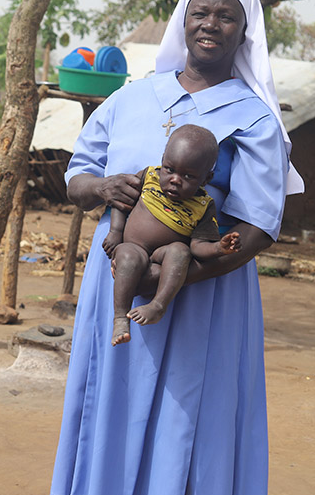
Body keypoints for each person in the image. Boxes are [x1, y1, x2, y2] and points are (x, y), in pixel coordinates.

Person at [47, 0, 303, 495]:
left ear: (244, 33)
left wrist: (183, 269)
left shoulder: (254, 117)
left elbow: (258, 224)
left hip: (205, 304)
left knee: (195, 437)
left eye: (226, 17)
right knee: (118, 427)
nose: (210, 25)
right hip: (121, 296)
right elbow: (78, 174)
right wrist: (103, 190)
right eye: (200, 13)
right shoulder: (134, 98)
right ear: (183, 23)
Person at [103, 124, 242, 346]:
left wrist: (218, 248)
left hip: (163, 254)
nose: (175, 179)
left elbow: (198, 245)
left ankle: (158, 305)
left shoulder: (203, 205)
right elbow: (121, 202)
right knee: (128, 256)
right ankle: (120, 317)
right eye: (169, 169)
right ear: (162, 161)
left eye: (188, 176)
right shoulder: (148, 177)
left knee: (181, 251)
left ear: (206, 179)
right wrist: (115, 231)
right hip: (133, 246)